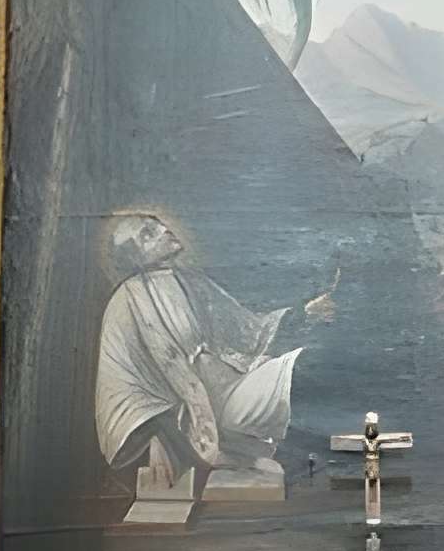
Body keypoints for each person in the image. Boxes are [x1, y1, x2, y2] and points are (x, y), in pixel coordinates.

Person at [94, 211, 334, 519]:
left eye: (160, 225)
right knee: (304, 375)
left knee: (316, 361)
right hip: (205, 415)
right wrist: (156, 432)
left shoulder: (191, 282)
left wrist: (305, 314)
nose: (166, 230)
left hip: (237, 386)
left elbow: (250, 332)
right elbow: (120, 390)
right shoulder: (125, 302)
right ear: (133, 256)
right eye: (148, 234)